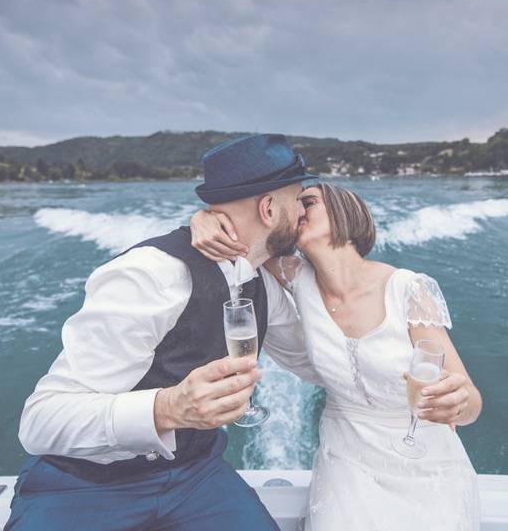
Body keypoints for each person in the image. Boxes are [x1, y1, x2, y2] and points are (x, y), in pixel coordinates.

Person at [4, 134, 322, 530]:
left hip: (195, 476)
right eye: (299, 199)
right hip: (82, 488)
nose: (305, 211)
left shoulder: (262, 282)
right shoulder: (150, 275)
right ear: (270, 208)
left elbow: (313, 361)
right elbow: (40, 422)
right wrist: (166, 408)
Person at [191, 182, 482, 530]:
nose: (297, 211)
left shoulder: (408, 289)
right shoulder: (295, 277)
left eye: (308, 202)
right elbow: (240, 239)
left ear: (345, 211)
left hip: (427, 461)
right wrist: (202, 218)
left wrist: (459, 403)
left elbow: (471, 403)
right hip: (346, 462)